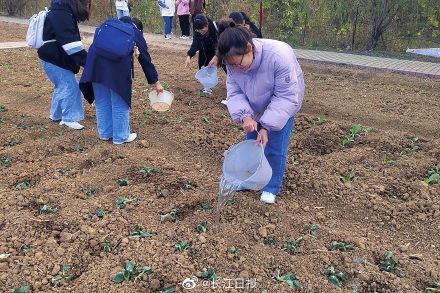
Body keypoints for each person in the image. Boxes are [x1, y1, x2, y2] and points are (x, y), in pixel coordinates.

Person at [217, 26, 305, 204]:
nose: (235, 69)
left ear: (249, 48)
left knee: (273, 146)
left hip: (282, 105)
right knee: (252, 143)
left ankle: (271, 186)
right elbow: (234, 92)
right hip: (254, 105)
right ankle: (251, 179)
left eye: (237, 63)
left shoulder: (279, 56)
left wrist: (266, 126)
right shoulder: (233, 63)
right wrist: (245, 116)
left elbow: (286, 96)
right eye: (230, 65)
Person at [79, 17, 163, 144]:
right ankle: (121, 136)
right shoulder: (134, 32)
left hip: (95, 68)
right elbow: (145, 59)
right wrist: (156, 82)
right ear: (139, 28)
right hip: (116, 71)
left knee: (102, 101)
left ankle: (105, 133)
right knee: (119, 101)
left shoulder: (107, 26)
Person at [38, 0, 90, 130]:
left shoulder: (60, 10)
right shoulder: (61, 14)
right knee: (70, 86)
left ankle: (56, 114)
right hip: (54, 58)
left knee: (61, 85)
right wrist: (89, 62)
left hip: (51, 56)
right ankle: (69, 118)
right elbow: (71, 44)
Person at [185, 14, 219, 94]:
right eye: (198, 30)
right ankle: (207, 87)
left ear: (207, 24)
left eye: (202, 30)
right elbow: (195, 44)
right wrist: (189, 55)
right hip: (205, 52)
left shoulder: (216, 27)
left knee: (226, 66)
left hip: (220, 50)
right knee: (204, 66)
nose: (201, 32)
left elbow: (223, 43)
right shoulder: (198, 32)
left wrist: (217, 56)